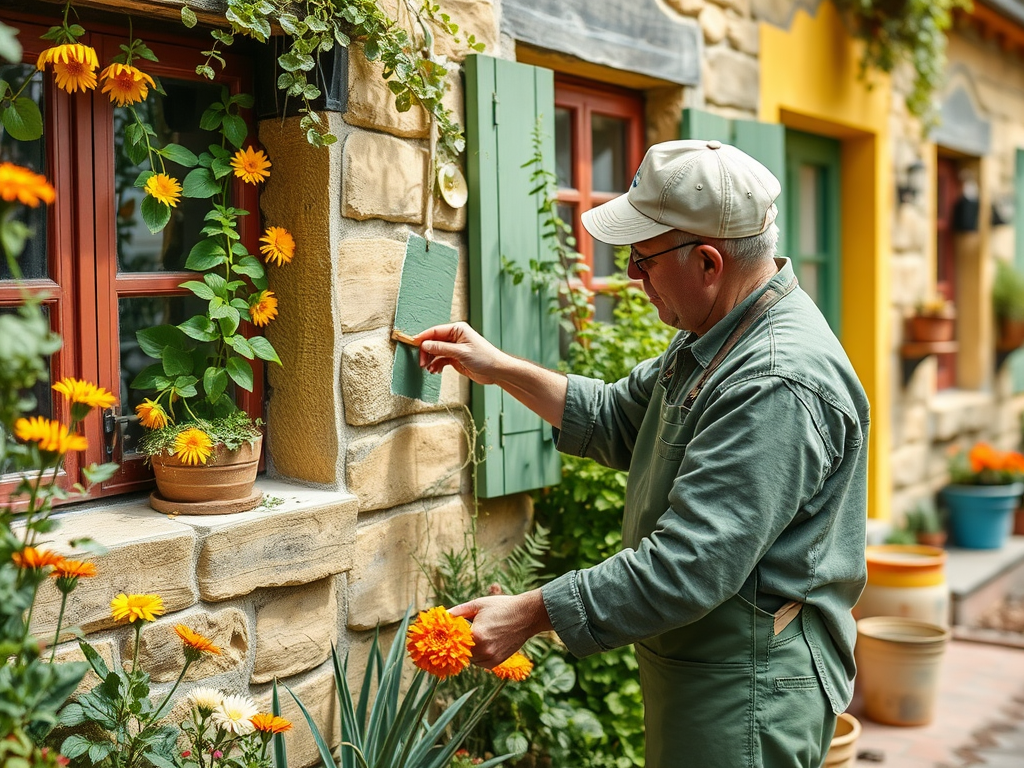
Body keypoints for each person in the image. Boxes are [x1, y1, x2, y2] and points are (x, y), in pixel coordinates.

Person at [416, 139, 870, 768]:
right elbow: (616, 418)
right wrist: (496, 368)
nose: (631, 274)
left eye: (644, 258)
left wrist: (525, 614)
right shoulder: (717, 334)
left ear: (708, 263)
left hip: (747, 686)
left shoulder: (773, 381)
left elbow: (690, 565)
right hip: (711, 664)